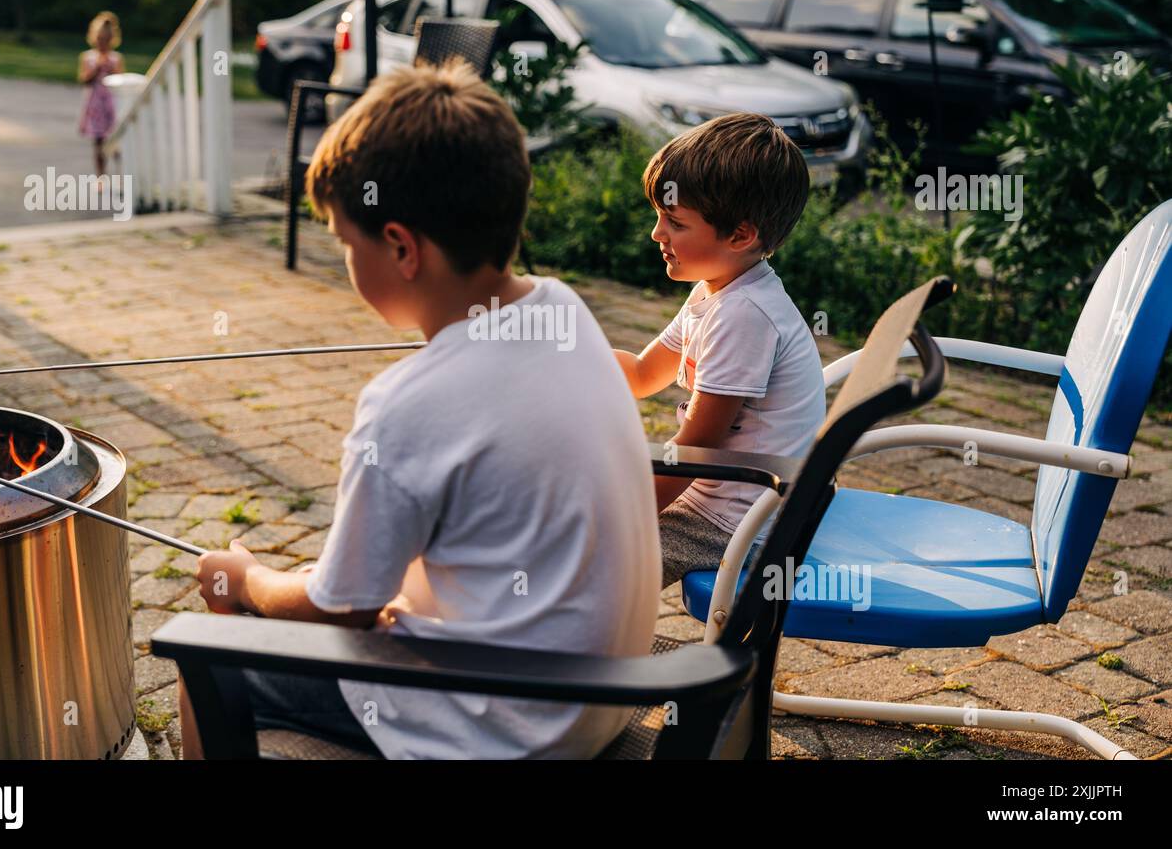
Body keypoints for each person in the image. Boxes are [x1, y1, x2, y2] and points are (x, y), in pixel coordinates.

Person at [184, 61, 662, 760]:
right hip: (600, 698)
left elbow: (335, 609)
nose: (346, 259)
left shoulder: (406, 404)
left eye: (347, 241)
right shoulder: (565, 311)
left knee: (207, 655)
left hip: (506, 730)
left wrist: (244, 577)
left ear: (403, 247)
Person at [614, 112, 826, 589]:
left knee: (595, 559)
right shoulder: (717, 291)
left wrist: (624, 514)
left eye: (674, 221)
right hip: (715, 498)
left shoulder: (745, 315)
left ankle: (582, 656)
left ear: (740, 235)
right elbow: (645, 373)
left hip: (737, 524)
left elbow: (696, 449)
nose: (656, 234)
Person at [77, 11, 124, 178]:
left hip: (111, 104)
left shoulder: (116, 58)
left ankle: (121, 175)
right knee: (98, 141)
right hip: (95, 103)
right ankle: (100, 176)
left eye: (106, 40)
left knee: (116, 139)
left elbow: (120, 81)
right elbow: (84, 79)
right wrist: (96, 68)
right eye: (100, 39)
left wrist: (111, 70)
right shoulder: (88, 58)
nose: (102, 43)